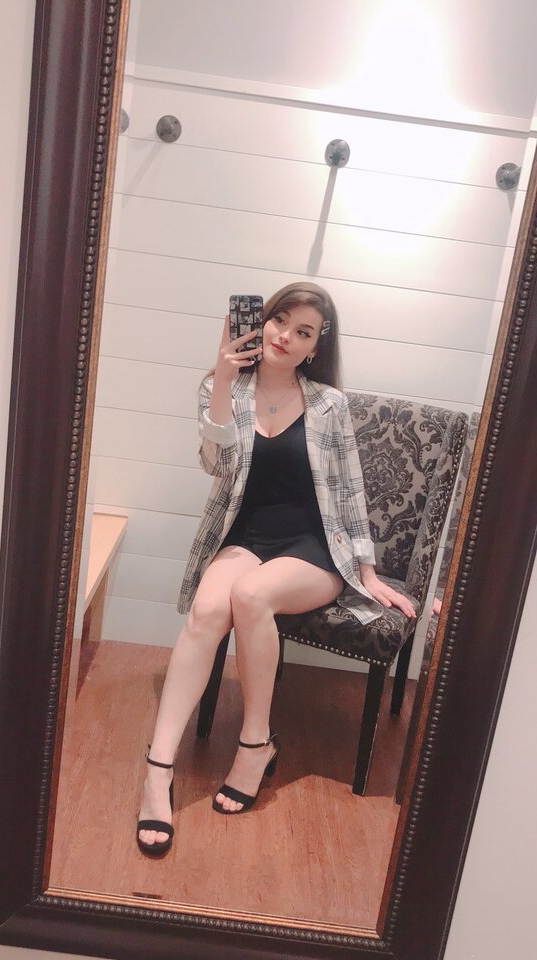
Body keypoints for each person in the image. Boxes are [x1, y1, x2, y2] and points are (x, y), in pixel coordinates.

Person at [137, 282, 417, 855]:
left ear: (315, 347)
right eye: (280, 320)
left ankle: (254, 743)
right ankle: (158, 768)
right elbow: (215, 464)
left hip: (313, 547)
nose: (286, 335)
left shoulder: (328, 405)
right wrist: (222, 379)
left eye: (303, 331)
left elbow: (351, 491)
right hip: (246, 538)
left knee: (251, 595)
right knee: (208, 609)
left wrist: (366, 573)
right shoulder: (222, 388)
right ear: (261, 322)